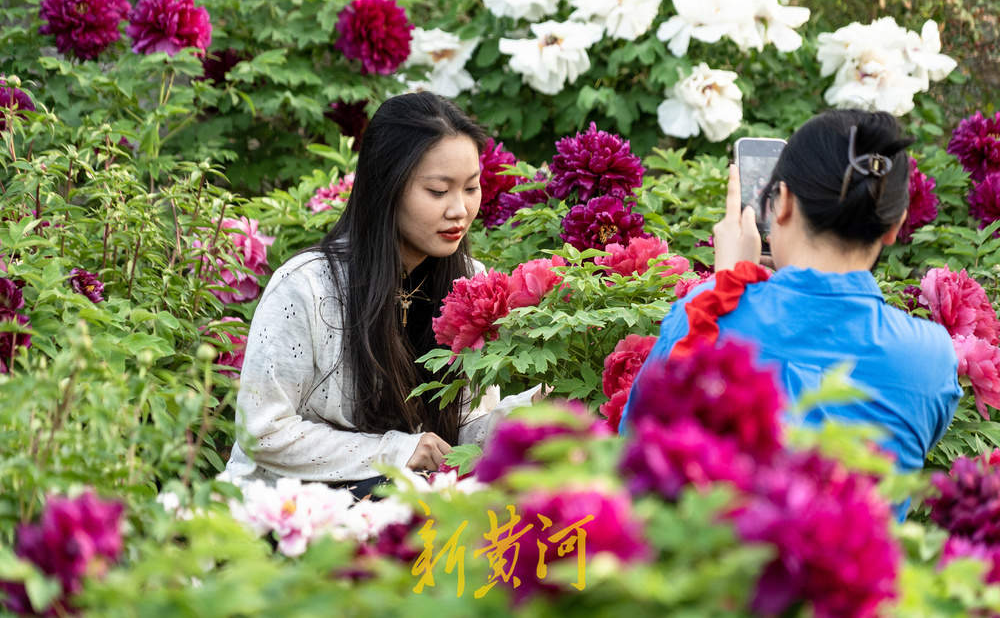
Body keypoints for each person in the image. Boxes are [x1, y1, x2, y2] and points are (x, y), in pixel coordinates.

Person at [620, 109, 961, 485]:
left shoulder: (702, 314)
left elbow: (638, 454)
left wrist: (723, 288)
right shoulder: (931, 357)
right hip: (858, 543)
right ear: (894, 226)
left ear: (781, 203)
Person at [225, 93, 542, 496]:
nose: (460, 210)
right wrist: (395, 450)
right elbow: (262, 433)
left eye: (471, 188)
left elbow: (456, 438)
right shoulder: (306, 286)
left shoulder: (469, 284)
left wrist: (532, 412)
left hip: (404, 503)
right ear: (386, 186)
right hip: (289, 514)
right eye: (438, 191)